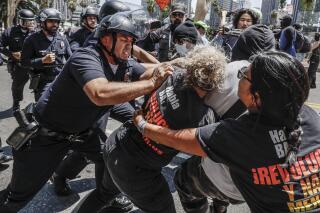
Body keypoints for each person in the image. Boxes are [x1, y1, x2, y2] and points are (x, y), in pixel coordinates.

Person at [0, 12, 172, 213]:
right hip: (45, 138)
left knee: (108, 155)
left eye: (132, 41)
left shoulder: (121, 61)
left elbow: (151, 69)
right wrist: (152, 83)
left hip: (80, 133)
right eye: (125, 39)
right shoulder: (86, 57)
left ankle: (106, 195)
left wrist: (176, 66)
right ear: (107, 38)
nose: (130, 46)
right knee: (17, 197)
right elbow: (100, 93)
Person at [133, 51, 320, 213]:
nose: (239, 77)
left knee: (184, 179)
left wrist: (141, 123)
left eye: (243, 76)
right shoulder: (311, 115)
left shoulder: (238, 135)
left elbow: (175, 138)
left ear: (256, 97)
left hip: (231, 186)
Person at [75, 45, 226, 213]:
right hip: (137, 169)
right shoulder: (204, 118)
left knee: (104, 194)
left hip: (116, 144)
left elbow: (146, 75)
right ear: (216, 82)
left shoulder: (171, 75)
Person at [21, 8, 72, 101]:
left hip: (61, 79)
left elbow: (71, 59)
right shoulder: (31, 40)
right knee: (42, 108)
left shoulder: (62, 39)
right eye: (51, 21)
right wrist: (43, 60)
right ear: (42, 22)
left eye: (57, 22)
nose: (55, 24)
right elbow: (24, 62)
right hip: (43, 82)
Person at [0, 9, 36, 111]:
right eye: (25, 21)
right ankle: (16, 103)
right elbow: (1, 46)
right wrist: (12, 54)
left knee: (39, 82)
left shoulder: (36, 32)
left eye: (30, 21)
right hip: (19, 65)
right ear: (20, 21)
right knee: (17, 85)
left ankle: (40, 102)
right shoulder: (10, 32)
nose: (28, 24)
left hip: (34, 62)